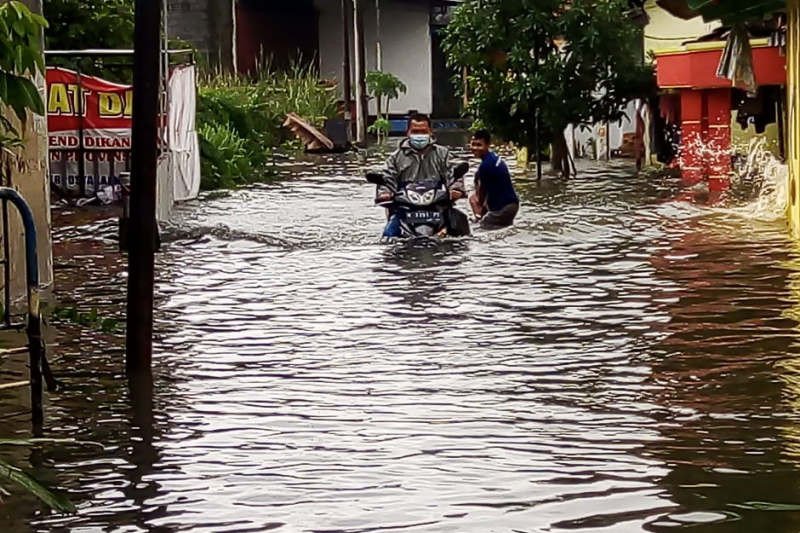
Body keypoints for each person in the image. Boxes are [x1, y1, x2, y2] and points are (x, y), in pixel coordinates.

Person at [376, 113, 468, 237]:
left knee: (461, 231)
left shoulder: (443, 154)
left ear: (430, 132)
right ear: (408, 132)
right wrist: (384, 193)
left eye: (423, 131)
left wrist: (456, 188)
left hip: (438, 207)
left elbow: (454, 172)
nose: (419, 135)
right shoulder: (396, 158)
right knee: (389, 235)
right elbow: (387, 178)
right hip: (405, 210)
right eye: (415, 131)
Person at [468, 130, 519, 229]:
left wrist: (480, 213)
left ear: (487, 145)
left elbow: (481, 196)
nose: (475, 148)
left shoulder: (485, 166)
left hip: (504, 208)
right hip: (511, 205)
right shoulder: (493, 157)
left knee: (481, 230)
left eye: (479, 145)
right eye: (473, 144)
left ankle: (480, 221)